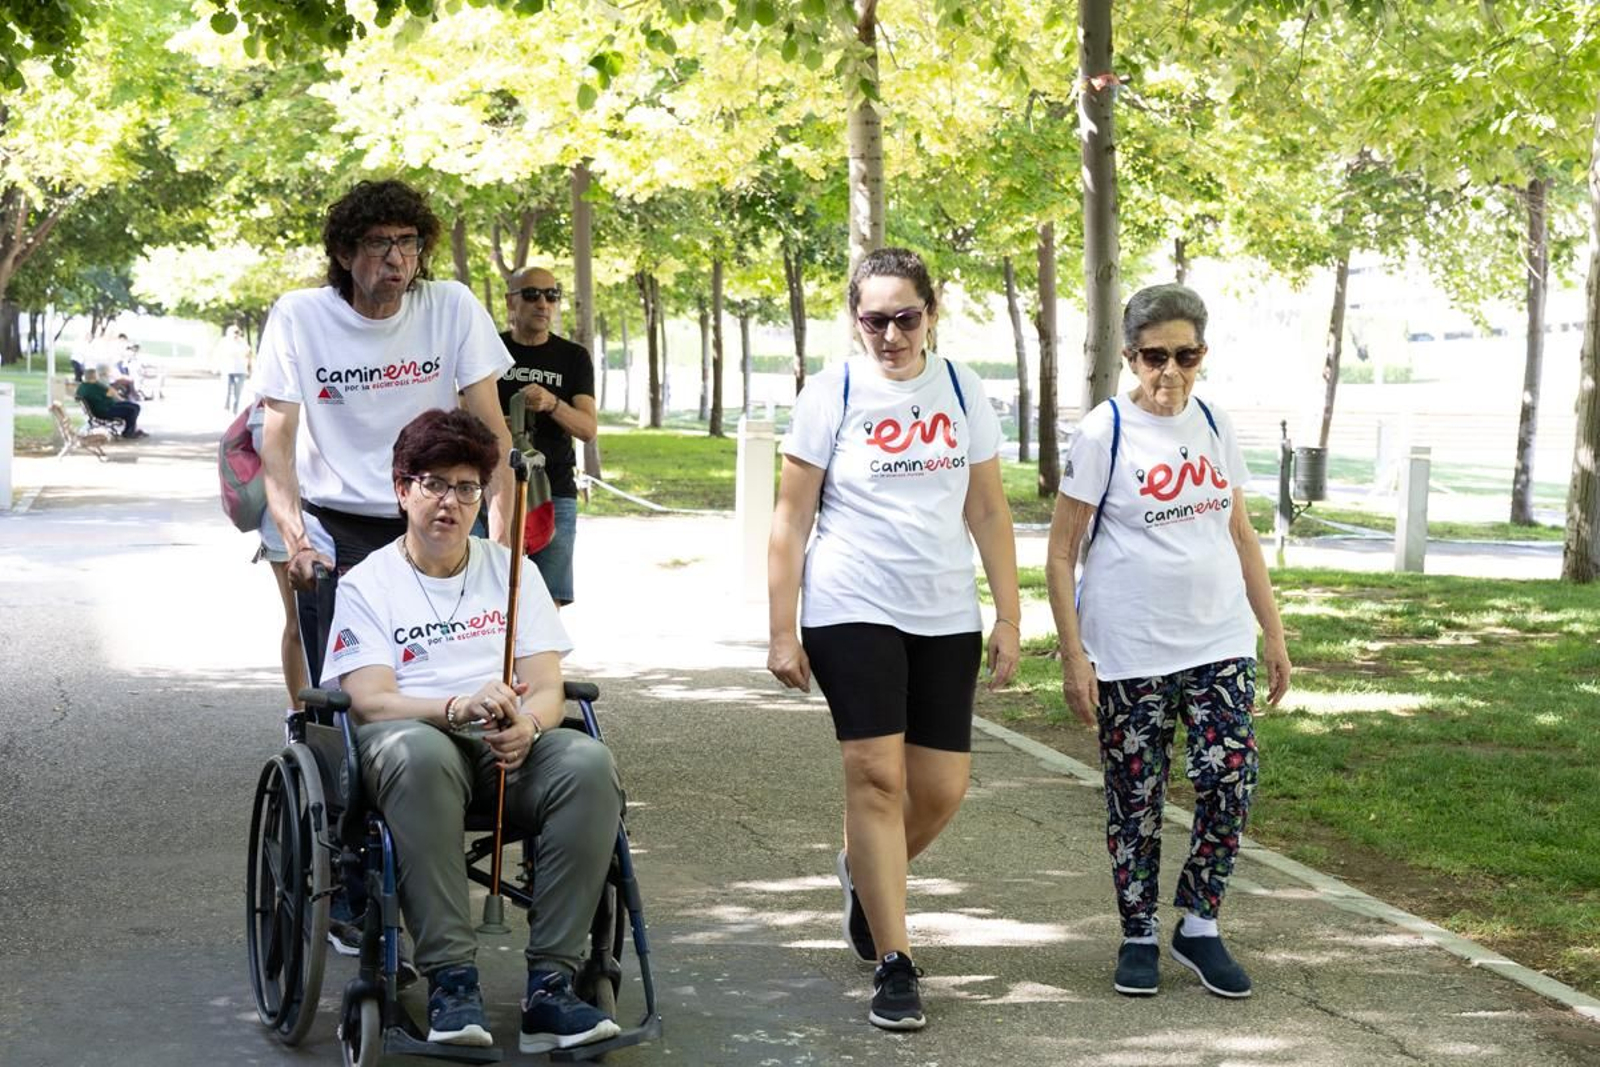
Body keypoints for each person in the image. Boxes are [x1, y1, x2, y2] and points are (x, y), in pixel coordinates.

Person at [767, 247, 1021, 1032]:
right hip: (851, 603)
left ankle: (864, 873)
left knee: (941, 788)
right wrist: (781, 629)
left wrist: (1010, 614)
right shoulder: (832, 392)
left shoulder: (962, 388)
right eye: (874, 319)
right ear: (856, 320)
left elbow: (988, 510)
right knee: (877, 777)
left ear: (931, 314)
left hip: (944, 610)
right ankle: (895, 960)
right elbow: (791, 518)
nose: (891, 334)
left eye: (906, 317)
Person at [325, 407, 623, 1055]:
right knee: (421, 754)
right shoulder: (368, 583)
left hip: (502, 748)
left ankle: (551, 985)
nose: (450, 502)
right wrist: (457, 705)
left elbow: (545, 685)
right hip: (410, 742)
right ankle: (452, 980)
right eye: (434, 483)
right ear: (402, 489)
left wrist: (530, 723)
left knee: (587, 763)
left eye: (466, 488)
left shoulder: (513, 572)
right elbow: (370, 700)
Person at [1043, 283, 1292, 1001]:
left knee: (1231, 777)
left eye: (1186, 355)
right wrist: (1074, 656)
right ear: (1130, 357)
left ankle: (1200, 923)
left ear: (1202, 355)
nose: (1171, 371)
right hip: (1130, 648)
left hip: (1218, 639)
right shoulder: (1105, 431)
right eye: (1155, 356)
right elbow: (1060, 552)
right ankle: (1139, 933)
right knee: (1136, 795)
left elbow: (1240, 533)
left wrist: (1272, 632)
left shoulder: (1213, 421)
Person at [254, 177, 516, 597]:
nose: (396, 259)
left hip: (434, 520)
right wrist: (298, 544)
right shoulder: (298, 316)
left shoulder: (452, 305)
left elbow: (495, 437)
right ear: (345, 253)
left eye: (408, 241)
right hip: (333, 528)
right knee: (333, 639)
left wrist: (501, 547)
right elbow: (277, 444)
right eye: (378, 243)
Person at [491, 266, 598, 608]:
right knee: (489, 595)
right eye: (532, 294)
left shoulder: (573, 357)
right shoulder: (490, 349)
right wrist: (501, 423)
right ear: (510, 301)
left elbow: (587, 429)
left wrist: (552, 403)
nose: (543, 303)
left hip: (554, 492)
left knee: (548, 603)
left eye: (552, 296)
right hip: (495, 491)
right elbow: (462, 411)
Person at [75, 366, 146, 438]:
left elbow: (106, 395)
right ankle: (129, 432)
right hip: (105, 411)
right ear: (94, 376)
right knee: (132, 409)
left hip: (101, 408)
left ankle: (130, 430)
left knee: (133, 406)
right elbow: (110, 394)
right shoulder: (94, 386)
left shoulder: (82, 386)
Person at [216, 325, 253, 411]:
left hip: (240, 370)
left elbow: (248, 355)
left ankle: (235, 410)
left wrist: (250, 368)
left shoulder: (243, 342)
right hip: (227, 370)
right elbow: (218, 355)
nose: (236, 334)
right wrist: (217, 366)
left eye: (237, 332)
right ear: (229, 333)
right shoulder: (224, 342)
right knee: (226, 391)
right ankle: (226, 408)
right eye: (234, 332)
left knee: (237, 393)